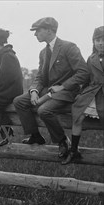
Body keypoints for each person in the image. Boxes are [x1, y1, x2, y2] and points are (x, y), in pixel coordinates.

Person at [13, 17, 89, 158]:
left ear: (49, 30)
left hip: (67, 92)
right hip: (48, 90)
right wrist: (34, 91)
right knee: (19, 101)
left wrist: (63, 86)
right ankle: (35, 136)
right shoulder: (43, 52)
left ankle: (62, 141)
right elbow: (40, 77)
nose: (35, 34)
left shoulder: (69, 47)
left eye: (38, 31)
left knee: (44, 110)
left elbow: (83, 72)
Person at [62, 26, 104, 165]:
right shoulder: (91, 58)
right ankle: (74, 150)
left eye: (103, 40)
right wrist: (80, 92)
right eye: (97, 40)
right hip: (93, 92)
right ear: (93, 42)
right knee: (78, 117)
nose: (100, 43)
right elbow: (86, 79)